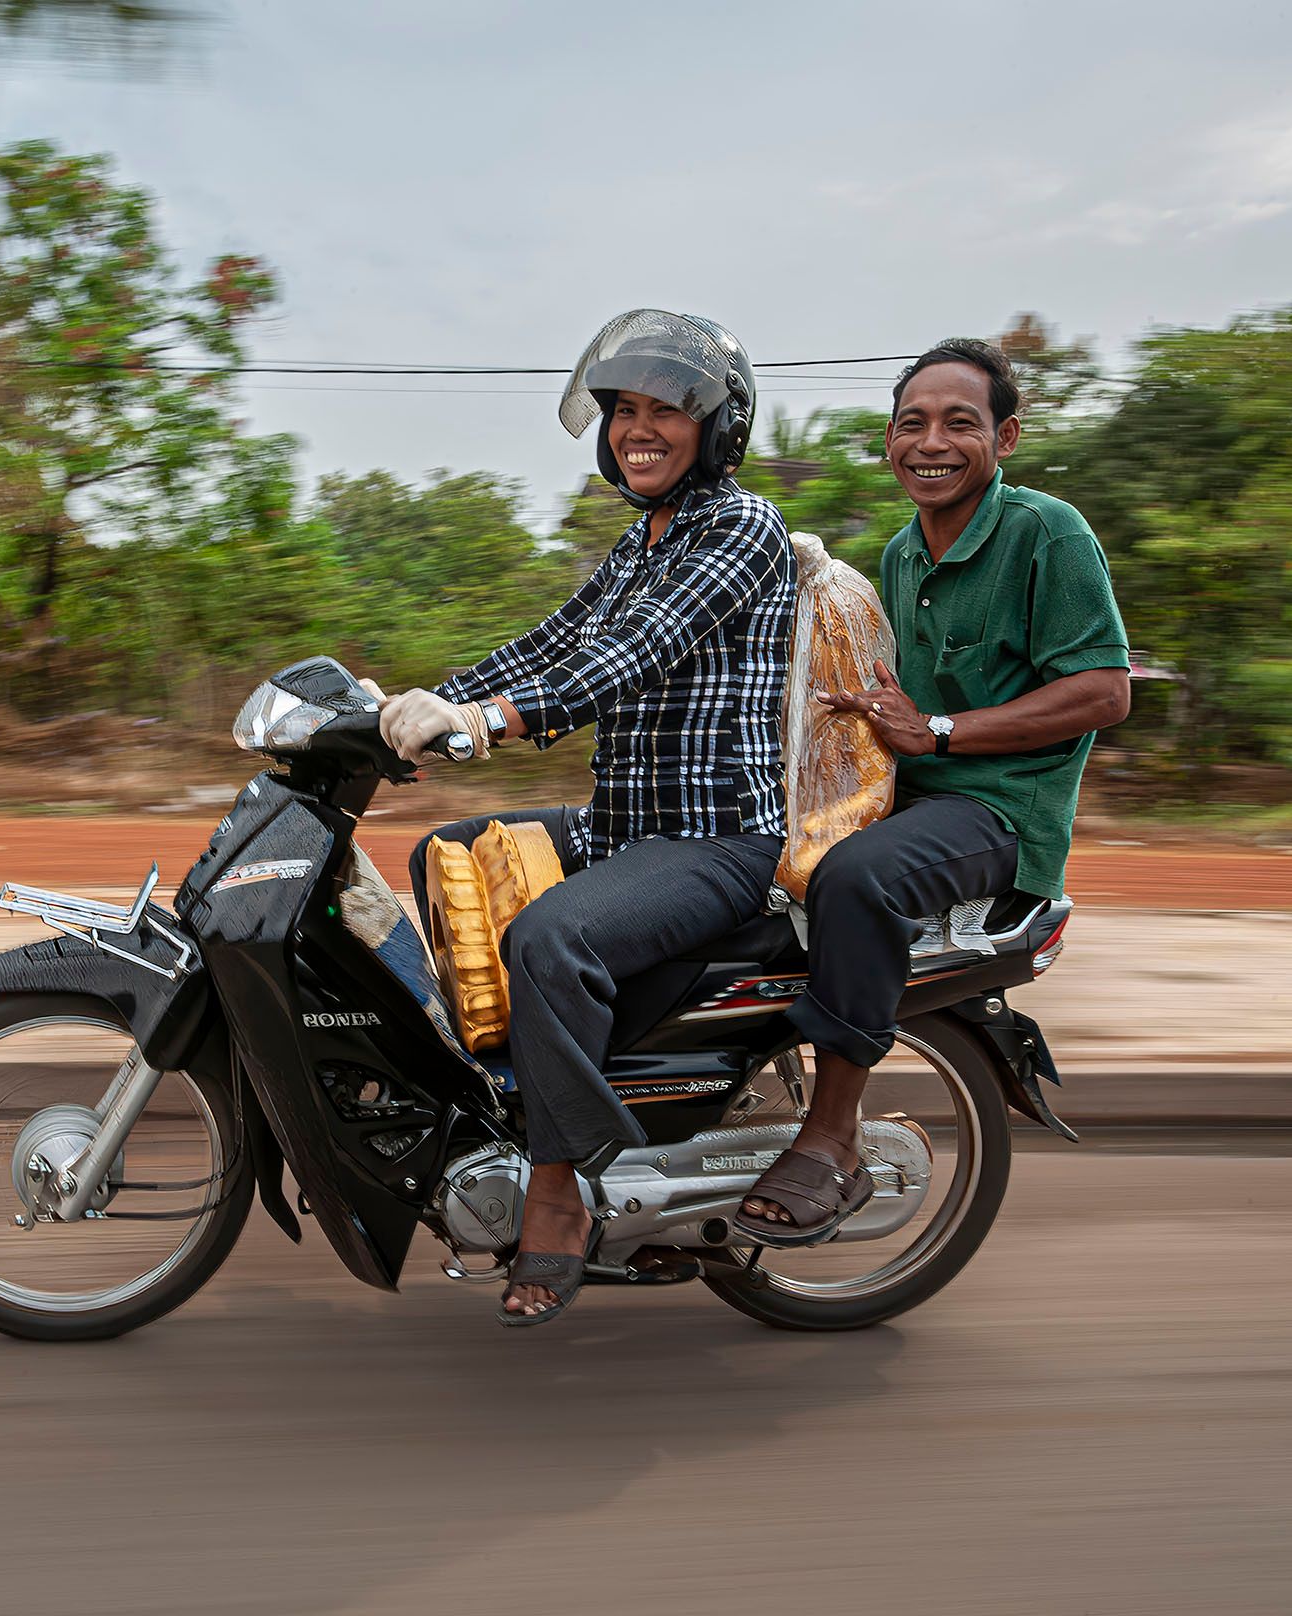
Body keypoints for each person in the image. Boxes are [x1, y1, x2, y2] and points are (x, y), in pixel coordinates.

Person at [377, 310, 795, 1326]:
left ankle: (561, 1182)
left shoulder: (740, 530)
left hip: (713, 839)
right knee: (447, 846)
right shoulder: (639, 538)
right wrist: (414, 704)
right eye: (622, 411)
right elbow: (551, 641)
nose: (635, 430)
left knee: (549, 936)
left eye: (663, 412)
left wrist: (485, 722)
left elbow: (627, 658)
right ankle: (504, 1087)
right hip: (625, 820)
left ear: (715, 428)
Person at [736, 338, 1130, 1245]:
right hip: (912, 796)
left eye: (960, 422)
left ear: (1007, 437)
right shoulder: (901, 554)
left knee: (856, 880)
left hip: (999, 812)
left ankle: (832, 1135)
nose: (932, 441)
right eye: (912, 423)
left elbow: (1105, 692)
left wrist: (943, 732)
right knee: (750, 857)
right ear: (887, 443)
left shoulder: (1046, 531)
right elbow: (899, 707)